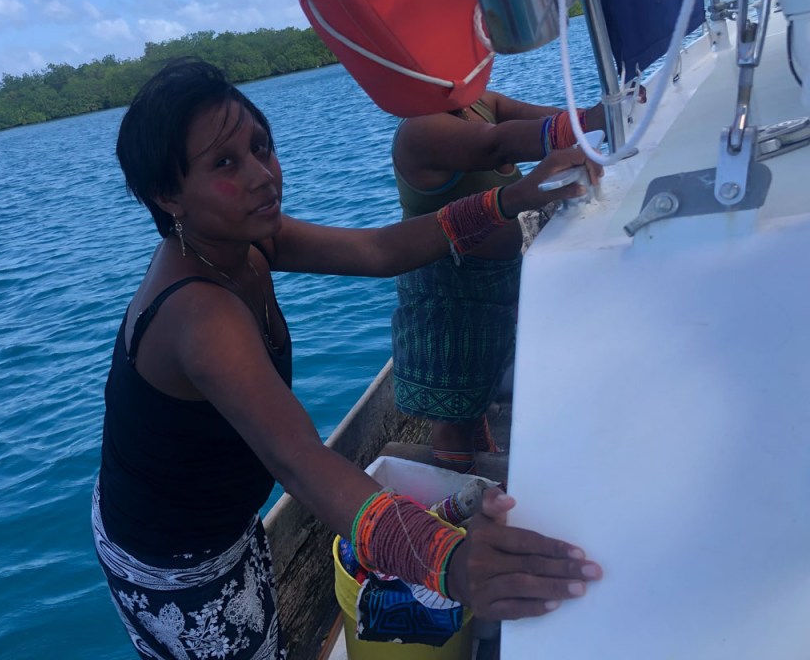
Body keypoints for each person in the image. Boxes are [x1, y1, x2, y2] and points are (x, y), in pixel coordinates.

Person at [91, 60, 604, 660]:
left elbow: (378, 250)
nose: (262, 175)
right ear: (168, 195)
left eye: (261, 147)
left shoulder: (245, 240)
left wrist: (510, 197)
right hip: (172, 554)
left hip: (224, 515)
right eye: (224, 163)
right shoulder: (199, 315)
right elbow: (299, 460)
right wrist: (449, 561)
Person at [391, 91, 607, 474]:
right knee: (453, 414)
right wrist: (590, 123)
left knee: (479, 382)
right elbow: (497, 144)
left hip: (493, 280)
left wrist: (589, 119)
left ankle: (482, 456)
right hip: (447, 290)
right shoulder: (418, 130)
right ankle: (461, 488)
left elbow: (543, 119)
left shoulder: (480, 103)